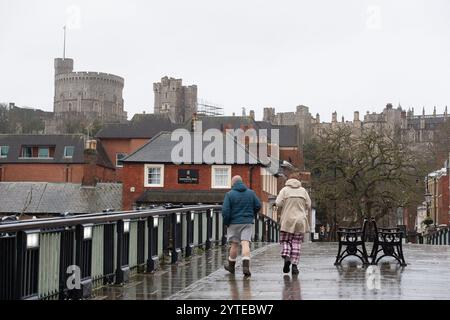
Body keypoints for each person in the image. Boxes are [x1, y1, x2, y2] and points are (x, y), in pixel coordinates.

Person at [222, 175, 261, 277]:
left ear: (233, 183)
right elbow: (258, 205)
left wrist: (226, 222)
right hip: (247, 222)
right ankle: (246, 266)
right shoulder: (251, 193)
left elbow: (225, 211)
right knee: (245, 243)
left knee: (234, 244)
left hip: (234, 223)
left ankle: (231, 266)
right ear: (241, 182)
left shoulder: (229, 194)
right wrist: (252, 214)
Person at [275, 172, 311, 275]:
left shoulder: (284, 190)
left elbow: (278, 203)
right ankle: (294, 266)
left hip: (287, 220)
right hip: (300, 220)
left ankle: (286, 256)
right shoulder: (303, 191)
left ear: (289, 180)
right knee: (296, 243)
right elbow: (308, 205)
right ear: (298, 180)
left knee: (285, 241)